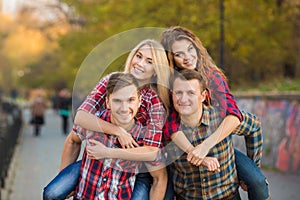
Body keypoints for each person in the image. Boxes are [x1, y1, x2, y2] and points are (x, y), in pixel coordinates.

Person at [43, 39, 170, 200]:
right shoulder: (112, 80)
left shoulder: (154, 102)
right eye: (138, 56)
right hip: (100, 156)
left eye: (149, 61)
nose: (139, 63)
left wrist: (111, 152)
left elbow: (151, 151)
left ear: (155, 70)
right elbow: (81, 117)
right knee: (53, 192)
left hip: (135, 166)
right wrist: (118, 132)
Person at [161, 26, 270, 199]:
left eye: (190, 49)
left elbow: (234, 115)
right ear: (171, 58)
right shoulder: (171, 84)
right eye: (179, 54)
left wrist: (206, 146)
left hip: (217, 141)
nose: (187, 57)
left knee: (256, 180)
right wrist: (196, 152)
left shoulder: (212, 76)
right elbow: (171, 125)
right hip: (184, 148)